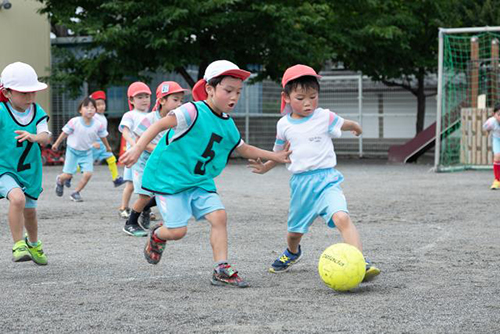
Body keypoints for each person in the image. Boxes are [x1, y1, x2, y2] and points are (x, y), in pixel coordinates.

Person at [120, 60, 291, 288]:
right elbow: (159, 125)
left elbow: (242, 147)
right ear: (210, 89)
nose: (234, 97)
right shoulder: (192, 110)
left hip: (200, 181)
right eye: (228, 90)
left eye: (238, 92)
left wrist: (275, 156)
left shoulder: (228, 125)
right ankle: (158, 235)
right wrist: (138, 148)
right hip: (170, 181)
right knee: (178, 231)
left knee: (219, 216)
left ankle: (221, 269)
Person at [248, 64, 380, 282]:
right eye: (301, 98)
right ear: (287, 97)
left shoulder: (325, 116)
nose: (308, 103)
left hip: (327, 179)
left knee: (342, 217)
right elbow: (280, 153)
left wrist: (356, 126)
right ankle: (292, 252)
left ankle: (360, 262)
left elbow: (344, 124)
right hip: (301, 185)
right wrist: (265, 167)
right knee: (294, 233)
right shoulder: (283, 125)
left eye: (313, 96)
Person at [0, 62, 51, 265]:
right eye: (24, 93)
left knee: (30, 212)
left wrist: (33, 136)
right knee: (17, 199)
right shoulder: (2, 111)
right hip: (5, 168)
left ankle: (34, 243)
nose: (30, 97)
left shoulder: (37, 111)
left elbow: (45, 136)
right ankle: (18, 243)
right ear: (8, 92)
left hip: (30, 171)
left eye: (33, 92)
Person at [123, 81, 187, 236]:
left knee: (167, 191)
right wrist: (160, 151)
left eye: (181, 100)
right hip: (143, 162)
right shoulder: (151, 118)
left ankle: (145, 208)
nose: (179, 104)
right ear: (162, 100)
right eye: (175, 99)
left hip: (160, 162)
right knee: (145, 194)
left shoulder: (179, 120)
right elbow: (140, 141)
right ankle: (130, 223)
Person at [52, 97, 112, 202]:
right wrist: (56, 143)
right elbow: (64, 133)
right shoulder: (74, 122)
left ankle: (76, 192)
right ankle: (60, 180)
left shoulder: (98, 124)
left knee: (88, 173)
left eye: (92, 107)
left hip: (87, 152)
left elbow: (103, 136)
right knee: (68, 174)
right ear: (80, 110)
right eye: (86, 107)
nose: (90, 109)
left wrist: (107, 147)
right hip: (72, 151)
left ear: (95, 111)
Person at [118, 82, 151, 219]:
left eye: (146, 96)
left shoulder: (152, 115)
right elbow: (125, 132)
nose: (144, 100)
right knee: (131, 185)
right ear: (131, 100)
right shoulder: (129, 115)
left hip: (147, 155)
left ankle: (145, 209)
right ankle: (123, 208)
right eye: (139, 97)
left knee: (148, 183)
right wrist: (135, 145)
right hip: (134, 156)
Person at [90, 90, 125, 187]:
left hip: (102, 143)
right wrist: (92, 142)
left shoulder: (102, 117)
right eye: (98, 104)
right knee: (86, 163)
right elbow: (91, 131)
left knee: (111, 159)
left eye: (103, 104)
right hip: (95, 144)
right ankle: (68, 174)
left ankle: (116, 179)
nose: (101, 106)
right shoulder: (94, 117)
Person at [483, 103, 500, 190]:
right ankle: (497, 180)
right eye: (499, 114)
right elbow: (486, 129)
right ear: (494, 114)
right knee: (497, 156)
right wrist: (487, 133)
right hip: (497, 140)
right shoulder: (491, 122)